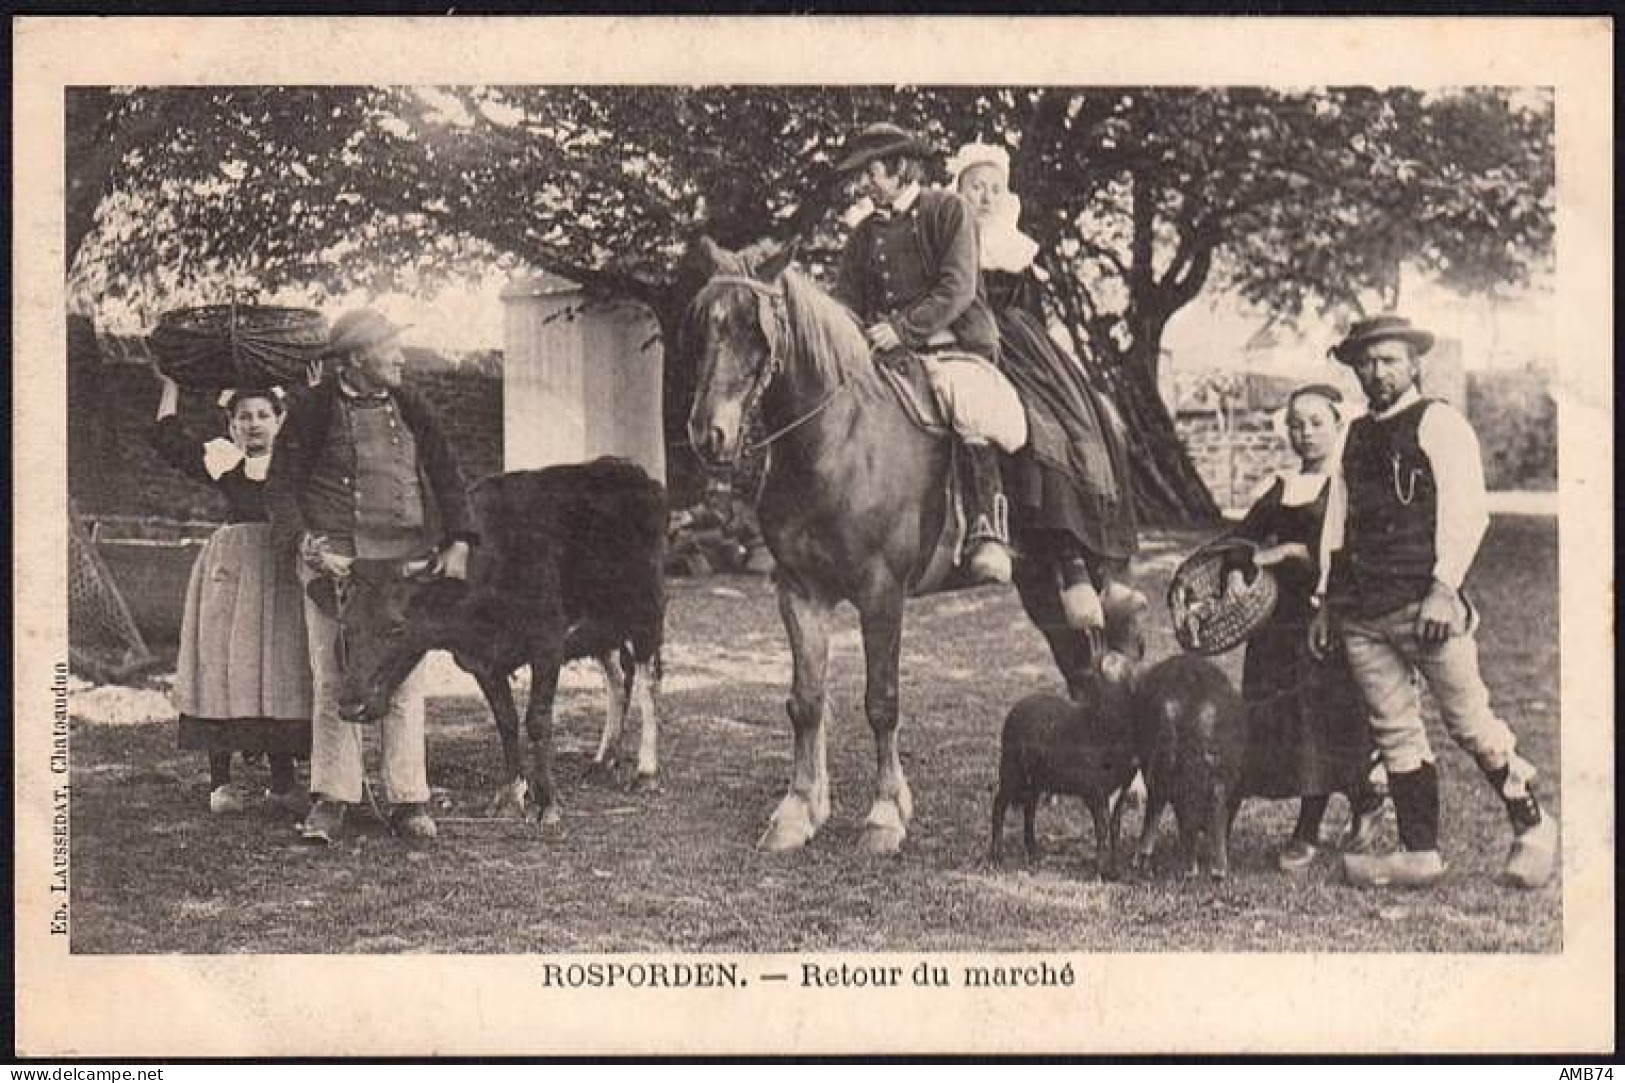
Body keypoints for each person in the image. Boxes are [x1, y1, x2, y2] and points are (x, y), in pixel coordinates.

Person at [1310, 315, 1558, 889]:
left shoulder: (1439, 423)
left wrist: (1444, 589)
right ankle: (1418, 851)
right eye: (1367, 362)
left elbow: (1469, 510)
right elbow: (1337, 525)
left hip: (1425, 605)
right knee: (1394, 728)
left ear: (1414, 364)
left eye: (1390, 360)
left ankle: (1534, 825)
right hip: (1362, 614)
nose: (1378, 372)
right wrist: (1326, 600)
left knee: (1469, 721)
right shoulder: (1353, 434)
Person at [267, 309, 476, 844]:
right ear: (358, 357)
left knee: (405, 681)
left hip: (403, 568)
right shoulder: (312, 409)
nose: (401, 357)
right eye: (390, 348)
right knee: (334, 677)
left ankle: (409, 799)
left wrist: (459, 541)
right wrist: (304, 544)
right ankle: (332, 798)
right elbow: (282, 485)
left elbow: (449, 473)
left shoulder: (412, 405)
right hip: (336, 564)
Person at [947, 141, 1137, 631]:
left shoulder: (1018, 248)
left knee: (1081, 420)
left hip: (1024, 345)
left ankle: (1099, 567)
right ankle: (1004, 537)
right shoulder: (946, 243)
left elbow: (1034, 314)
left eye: (993, 188)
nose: (985, 197)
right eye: (974, 187)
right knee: (1018, 421)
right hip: (967, 341)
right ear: (958, 191)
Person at [832, 122, 1020, 584]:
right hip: (888, 357)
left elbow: (957, 288)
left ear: (898, 168)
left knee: (967, 401)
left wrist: (902, 329)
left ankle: (985, 529)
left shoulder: (948, 210)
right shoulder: (862, 236)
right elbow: (845, 304)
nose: (863, 184)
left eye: (870, 172)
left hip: (952, 348)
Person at [1226, 384, 1385, 872]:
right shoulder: (1279, 487)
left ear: (1338, 426)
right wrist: (1236, 569)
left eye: (1317, 422)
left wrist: (1290, 555)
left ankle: (1311, 828)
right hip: (1273, 625)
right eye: (1296, 424)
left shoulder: (1347, 488)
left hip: (1323, 618)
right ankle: (1365, 801)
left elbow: (1350, 554)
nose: (1305, 433)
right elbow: (1240, 539)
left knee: (1322, 721)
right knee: (1274, 718)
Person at [148, 369, 311, 815]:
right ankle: (221, 783)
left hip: (280, 566)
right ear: (231, 425)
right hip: (230, 570)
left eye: (263, 415)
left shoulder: (294, 463)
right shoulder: (223, 460)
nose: (253, 423)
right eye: (243, 417)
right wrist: (171, 384)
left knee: (277, 665)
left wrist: (314, 391)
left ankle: (282, 780)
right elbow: (168, 439)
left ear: (280, 420)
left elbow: (331, 438)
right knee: (220, 665)